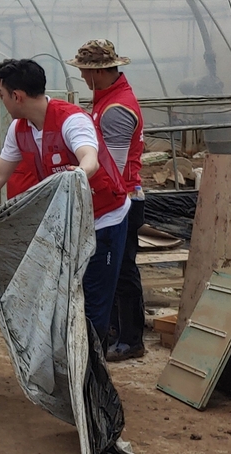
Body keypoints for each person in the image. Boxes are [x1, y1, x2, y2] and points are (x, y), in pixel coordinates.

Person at [0, 58, 130, 349]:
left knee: (94, 299)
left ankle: (91, 370)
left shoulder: (71, 120)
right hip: (66, 222)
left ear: (16, 96)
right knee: (62, 295)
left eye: (0, 94)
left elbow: (88, 156)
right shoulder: (20, 129)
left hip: (103, 219)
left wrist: (81, 171)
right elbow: (0, 171)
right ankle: (67, 359)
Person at [67, 40, 146, 361]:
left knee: (122, 270)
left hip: (121, 200)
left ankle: (131, 338)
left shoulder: (115, 110)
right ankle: (115, 330)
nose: (83, 78)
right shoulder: (107, 101)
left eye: (85, 71)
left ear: (97, 72)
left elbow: (113, 167)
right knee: (109, 268)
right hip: (114, 198)